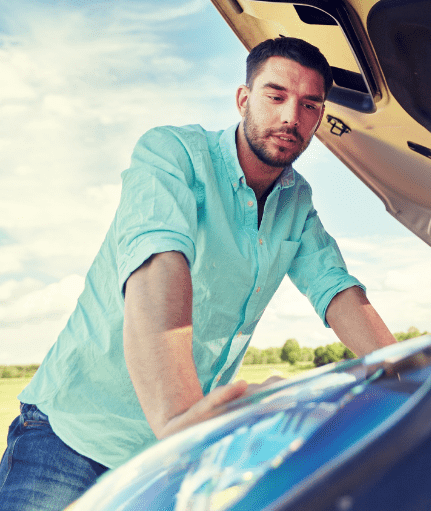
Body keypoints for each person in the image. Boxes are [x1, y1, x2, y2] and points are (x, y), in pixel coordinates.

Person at [0, 37, 397, 511]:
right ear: (243, 99)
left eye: (309, 105)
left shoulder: (297, 201)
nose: (291, 116)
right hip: (72, 436)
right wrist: (179, 417)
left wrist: (407, 371)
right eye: (276, 96)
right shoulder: (174, 153)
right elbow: (159, 258)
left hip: (165, 459)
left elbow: (336, 288)